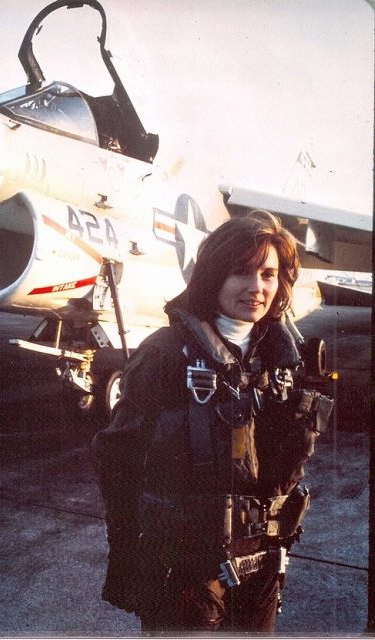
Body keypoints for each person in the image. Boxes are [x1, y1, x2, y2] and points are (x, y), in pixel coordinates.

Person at [91, 210, 333, 634]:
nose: (257, 287)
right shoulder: (165, 353)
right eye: (241, 272)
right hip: (182, 571)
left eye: (268, 274)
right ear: (213, 276)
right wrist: (126, 556)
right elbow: (119, 461)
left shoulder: (280, 359)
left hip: (261, 569)